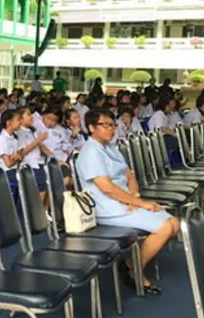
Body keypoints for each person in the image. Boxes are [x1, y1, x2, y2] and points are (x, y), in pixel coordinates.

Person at [76, 108, 180, 294]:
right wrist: (139, 203)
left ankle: (131, 263)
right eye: (105, 125)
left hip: (124, 201)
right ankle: (134, 271)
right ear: (91, 128)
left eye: (113, 125)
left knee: (175, 224)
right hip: (106, 208)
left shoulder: (110, 147)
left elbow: (129, 174)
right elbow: (106, 188)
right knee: (165, 228)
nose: (111, 129)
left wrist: (135, 197)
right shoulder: (90, 152)